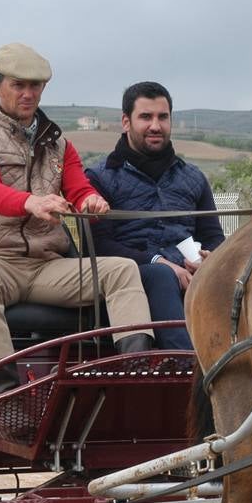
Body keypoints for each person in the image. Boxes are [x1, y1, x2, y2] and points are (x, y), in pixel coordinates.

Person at [0, 42, 154, 392]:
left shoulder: (60, 145)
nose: (28, 94)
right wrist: (30, 202)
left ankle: (132, 375)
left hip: (47, 264)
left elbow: (78, 188)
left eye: (36, 86)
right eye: (18, 85)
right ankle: (6, 394)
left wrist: (91, 200)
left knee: (123, 270)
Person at [86, 81, 225, 350]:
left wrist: (208, 258)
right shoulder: (99, 178)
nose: (155, 126)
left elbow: (214, 237)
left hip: (193, 275)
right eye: (145, 117)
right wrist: (158, 261)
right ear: (126, 122)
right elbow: (99, 245)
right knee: (159, 275)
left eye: (163, 117)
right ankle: (186, 366)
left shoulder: (193, 177)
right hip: (130, 276)